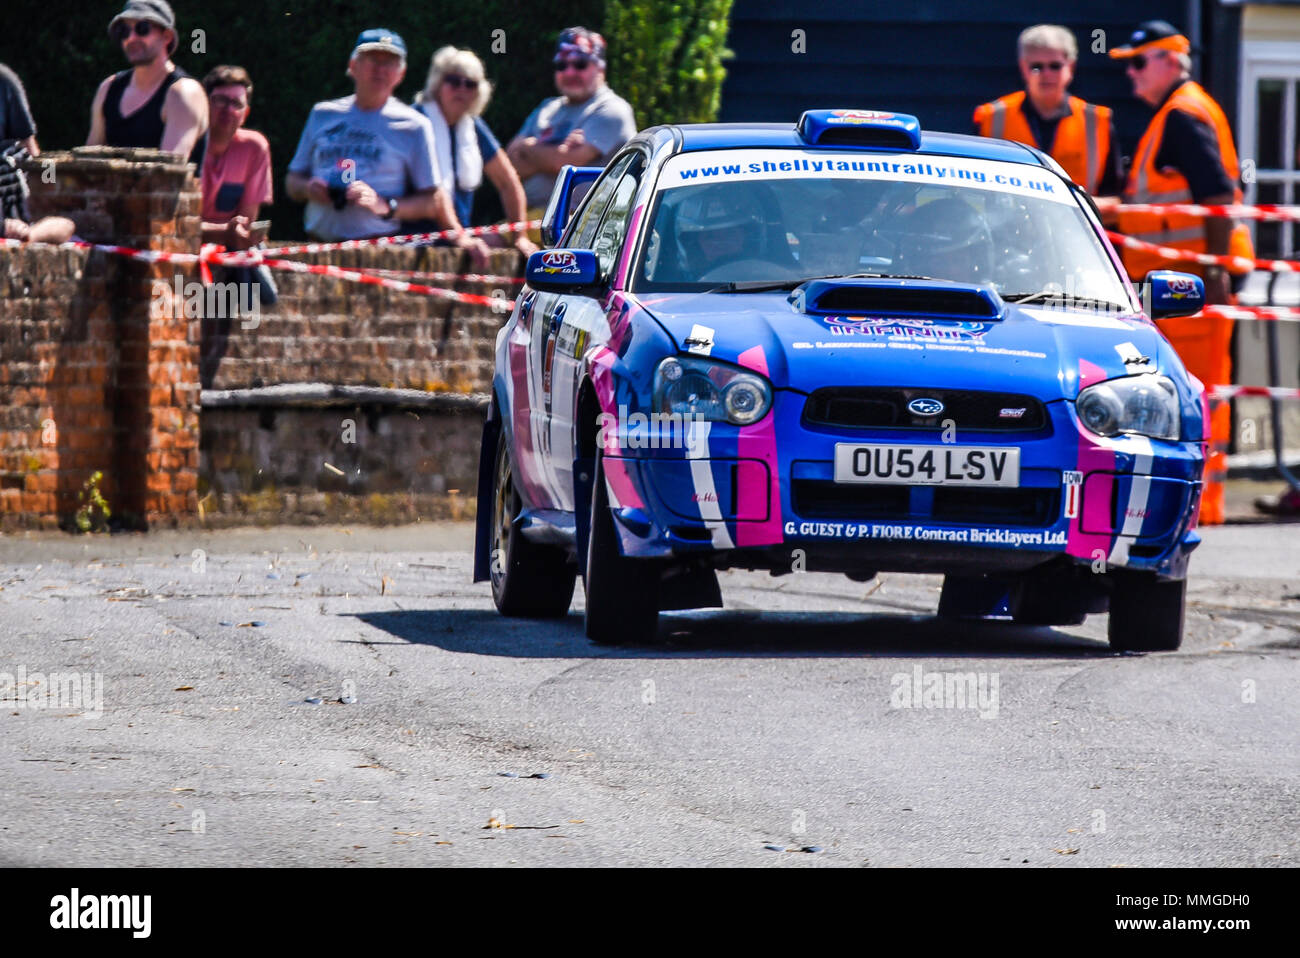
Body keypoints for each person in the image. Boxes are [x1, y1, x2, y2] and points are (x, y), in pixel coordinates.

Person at [1108, 20, 1257, 523]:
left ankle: (1204, 504)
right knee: (1188, 391)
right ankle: (1192, 501)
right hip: (1179, 287)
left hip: (1195, 285)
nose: (1130, 75)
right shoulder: (1174, 114)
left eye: (1138, 61)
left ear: (1171, 60)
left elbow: (1216, 195)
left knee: (1201, 391)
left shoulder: (1183, 115)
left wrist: (1214, 270)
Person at [286, 28, 483, 260]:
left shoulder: (414, 125)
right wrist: (308, 188)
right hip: (317, 248)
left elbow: (432, 200)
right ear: (353, 66)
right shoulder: (322, 114)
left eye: (390, 62)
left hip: (377, 253)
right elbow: (292, 182)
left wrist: (383, 205)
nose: (380, 69)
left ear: (401, 73)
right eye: (372, 59)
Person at [412, 46, 536, 256]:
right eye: (454, 81)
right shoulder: (414, 121)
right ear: (437, 83)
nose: (462, 89)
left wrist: (520, 237)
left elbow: (508, 182)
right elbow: (434, 197)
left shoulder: (472, 127)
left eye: (470, 84)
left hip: (459, 245)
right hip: (413, 242)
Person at [973, 24, 1121, 197]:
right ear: (1023, 68)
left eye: (1055, 66)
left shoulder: (1096, 120)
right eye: (1037, 66)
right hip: (1007, 221)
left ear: (1071, 67)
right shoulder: (992, 117)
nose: (1046, 74)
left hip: (1076, 221)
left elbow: (1114, 194)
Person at [506, 27, 637, 216]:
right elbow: (509, 163)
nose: (569, 72)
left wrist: (527, 149)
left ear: (600, 68)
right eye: (561, 65)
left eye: (580, 64)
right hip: (527, 218)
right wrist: (552, 152)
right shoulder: (547, 107)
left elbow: (563, 164)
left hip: (580, 226)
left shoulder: (613, 110)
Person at [86, 0, 208, 160]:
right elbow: (87, 164)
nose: (131, 38)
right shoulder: (109, 88)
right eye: (123, 31)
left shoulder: (183, 93)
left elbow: (166, 174)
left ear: (167, 36)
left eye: (142, 28)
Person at [198, 66, 270, 251]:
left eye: (236, 103)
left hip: (230, 251)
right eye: (220, 101)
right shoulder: (186, 144)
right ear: (203, 104)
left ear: (245, 114)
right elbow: (172, 224)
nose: (228, 110)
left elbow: (246, 223)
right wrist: (224, 231)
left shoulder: (254, 148)